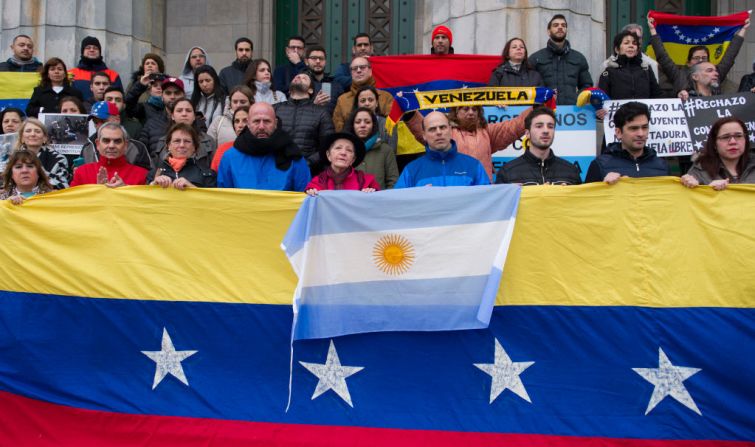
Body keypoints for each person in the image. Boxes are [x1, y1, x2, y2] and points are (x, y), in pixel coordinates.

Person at [406, 105, 530, 180]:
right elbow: (423, 129)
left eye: (474, 109)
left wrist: (536, 108)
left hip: (484, 191)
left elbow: (514, 126)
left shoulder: (487, 132)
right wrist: (409, 113)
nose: (471, 112)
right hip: (455, 191)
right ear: (456, 112)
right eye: (465, 109)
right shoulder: (447, 132)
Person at [648, 14, 749, 96]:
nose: (701, 60)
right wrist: (653, 30)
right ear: (688, 63)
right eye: (696, 58)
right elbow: (663, 57)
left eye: (704, 58)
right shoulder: (679, 77)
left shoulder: (715, 75)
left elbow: (730, 56)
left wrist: (743, 30)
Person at [217, 102, 309, 191]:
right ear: (248, 124)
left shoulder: (292, 155)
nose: (261, 127)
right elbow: (224, 198)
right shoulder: (230, 157)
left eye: (267, 121)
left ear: (275, 123)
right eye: (256, 121)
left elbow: (304, 196)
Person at [394, 111, 489, 188]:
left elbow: (488, 201)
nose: (439, 132)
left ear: (450, 130)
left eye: (442, 127)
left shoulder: (474, 166)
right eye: (432, 129)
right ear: (424, 135)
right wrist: (416, 196)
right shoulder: (411, 170)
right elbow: (399, 205)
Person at [495, 106, 581, 185]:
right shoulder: (507, 173)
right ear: (527, 133)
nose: (546, 131)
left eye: (550, 126)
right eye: (539, 126)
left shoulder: (571, 171)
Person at [585, 101, 668, 183]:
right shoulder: (600, 165)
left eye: (644, 127)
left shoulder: (662, 166)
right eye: (633, 128)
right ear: (618, 133)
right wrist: (604, 187)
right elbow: (588, 196)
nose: (641, 134)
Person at [274, 72, 334, 172]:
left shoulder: (321, 113)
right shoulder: (275, 109)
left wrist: (307, 163)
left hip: (309, 171)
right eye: (296, 76)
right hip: (277, 169)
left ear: (310, 90)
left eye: (304, 78)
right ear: (289, 89)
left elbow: (327, 145)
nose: (298, 77)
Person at [530, 14, 592, 105]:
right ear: (548, 31)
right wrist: (544, 97)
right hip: (544, 111)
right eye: (555, 25)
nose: (560, 27)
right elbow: (529, 87)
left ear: (566, 30)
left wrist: (577, 99)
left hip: (572, 112)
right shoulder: (536, 58)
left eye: (563, 25)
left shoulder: (579, 58)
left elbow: (587, 86)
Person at [681, 117, 754, 189]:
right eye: (725, 137)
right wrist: (708, 191)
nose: (733, 142)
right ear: (714, 144)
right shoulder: (699, 171)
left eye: (738, 136)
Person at [78, 101, 152, 171]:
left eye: (103, 121)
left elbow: (146, 177)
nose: (99, 125)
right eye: (96, 122)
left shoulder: (137, 147)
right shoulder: (87, 148)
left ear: (117, 119)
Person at [71, 122, 148, 187]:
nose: (111, 146)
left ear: (125, 146)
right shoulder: (82, 172)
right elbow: (72, 202)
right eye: (106, 141)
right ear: (97, 144)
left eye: (117, 141)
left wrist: (125, 190)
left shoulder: (142, 175)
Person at [306, 132, 380, 195]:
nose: (343, 153)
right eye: (338, 148)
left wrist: (372, 193)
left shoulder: (366, 182)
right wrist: (311, 193)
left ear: (353, 159)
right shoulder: (317, 182)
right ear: (328, 155)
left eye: (349, 150)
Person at [148, 123, 216, 189]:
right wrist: (153, 184)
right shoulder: (155, 172)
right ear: (168, 146)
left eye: (187, 141)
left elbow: (211, 199)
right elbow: (144, 198)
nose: (182, 145)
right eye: (177, 141)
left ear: (194, 147)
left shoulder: (207, 174)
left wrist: (191, 187)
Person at [597, 30, 662, 100]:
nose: (631, 46)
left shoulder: (646, 69)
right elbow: (601, 99)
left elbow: (657, 95)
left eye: (634, 43)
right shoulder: (609, 72)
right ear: (617, 50)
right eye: (626, 43)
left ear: (637, 50)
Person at [332, 56, 393, 131]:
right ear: (351, 73)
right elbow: (339, 131)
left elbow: (391, 128)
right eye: (354, 68)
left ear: (370, 71)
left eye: (362, 67)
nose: (358, 71)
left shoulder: (386, 97)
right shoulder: (342, 100)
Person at [346, 107, 398, 189]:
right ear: (352, 125)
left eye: (367, 122)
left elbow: (393, 181)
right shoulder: (344, 150)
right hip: (350, 200)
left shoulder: (385, 150)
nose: (362, 125)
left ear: (373, 125)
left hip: (380, 200)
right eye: (358, 122)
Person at [154, 98, 216, 165]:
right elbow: (155, 169)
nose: (184, 114)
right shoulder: (162, 142)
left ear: (194, 116)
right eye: (179, 111)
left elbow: (214, 170)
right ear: (172, 116)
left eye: (188, 111)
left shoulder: (208, 141)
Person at [136, 77, 186, 157]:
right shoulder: (151, 123)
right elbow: (141, 152)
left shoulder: (194, 120)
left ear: (184, 96)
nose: (172, 97)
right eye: (168, 93)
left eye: (177, 93)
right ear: (162, 96)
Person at [13, 118, 69, 189]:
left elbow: (63, 186)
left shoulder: (59, 159)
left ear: (45, 138)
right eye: (28, 131)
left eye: (37, 131)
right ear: (22, 138)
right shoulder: (12, 158)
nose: (33, 134)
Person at [68, 36, 123, 101]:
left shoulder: (113, 75)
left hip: (105, 111)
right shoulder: (70, 74)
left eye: (95, 48)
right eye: (88, 48)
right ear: (82, 52)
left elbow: (119, 99)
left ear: (99, 52)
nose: (92, 50)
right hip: (79, 110)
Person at [305, 45, 344, 113]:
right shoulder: (301, 84)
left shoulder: (336, 85)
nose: (318, 61)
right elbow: (295, 111)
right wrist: (314, 105)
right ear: (306, 61)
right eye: (314, 58)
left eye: (321, 58)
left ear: (325, 61)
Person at [211, 106, 248, 171]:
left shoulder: (261, 150)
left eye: (245, 121)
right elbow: (213, 177)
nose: (240, 125)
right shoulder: (223, 149)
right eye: (237, 121)